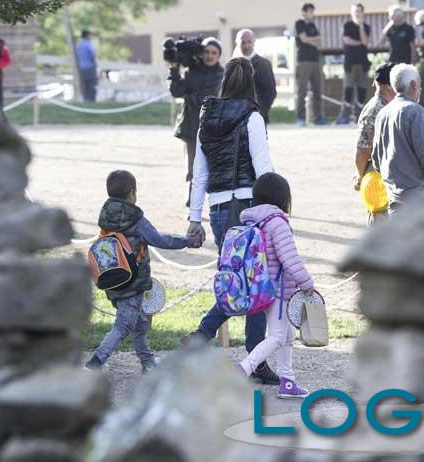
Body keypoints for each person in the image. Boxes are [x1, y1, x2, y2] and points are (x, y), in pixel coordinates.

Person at [181, 57, 279, 385]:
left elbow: (200, 173)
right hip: (250, 203)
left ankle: (202, 337)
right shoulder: (252, 117)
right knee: (255, 280)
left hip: (219, 208)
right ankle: (253, 356)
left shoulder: (207, 117)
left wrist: (195, 217)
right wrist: (273, 208)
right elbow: (262, 165)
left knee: (236, 278)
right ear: (250, 82)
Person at [85, 170, 201, 372]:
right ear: (132, 193)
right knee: (123, 327)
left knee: (139, 325)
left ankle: (147, 363)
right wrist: (188, 242)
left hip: (112, 279)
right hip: (132, 283)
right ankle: (95, 363)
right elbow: (160, 240)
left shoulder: (105, 216)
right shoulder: (136, 219)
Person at [235, 173, 315, 399]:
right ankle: (244, 368)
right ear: (282, 197)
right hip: (278, 289)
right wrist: (306, 282)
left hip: (260, 286)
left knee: (287, 335)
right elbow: (289, 258)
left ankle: (287, 381)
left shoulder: (253, 221)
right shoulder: (277, 223)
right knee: (278, 336)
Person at [372, 63, 424, 214]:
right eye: (420, 85)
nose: (420, 89)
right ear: (414, 85)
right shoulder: (415, 111)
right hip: (420, 198)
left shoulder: (382, 114)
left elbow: (377, 161)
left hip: (394, 198)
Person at [169, 37, 224, 207]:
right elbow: (177, 91)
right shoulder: (192, 70)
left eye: (214, 53)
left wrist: (189, 96)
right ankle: (193, 199)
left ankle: (218, 201)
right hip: (190, 126)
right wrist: (174, 70)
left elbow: (206, 98)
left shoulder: (220, 74)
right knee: (193, 166)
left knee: (213, 166)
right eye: (207, 52)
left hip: (210, 126)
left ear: (219, 55)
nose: (209, 56)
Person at [353, 63, 396, 224]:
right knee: (381, 223)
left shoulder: (386, 106)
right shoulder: (375, 111)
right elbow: (363, 150)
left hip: (389, 175)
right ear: (389, 86)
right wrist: (359, 175)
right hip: (379, 177)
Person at [295, 3, 329, 126]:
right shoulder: (299, 23)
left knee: (317, 90)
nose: (312, 14)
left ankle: (318, 118)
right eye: (310, 11)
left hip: (316, 61)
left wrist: (312, 40)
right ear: (304, 12)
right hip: (304, 61)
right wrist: (314, 40)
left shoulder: (313, 25)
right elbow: (303, 39)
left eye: (312, 11)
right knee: (302, 91)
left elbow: (320, 42)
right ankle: (300, 119)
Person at [337, 3, 371, 125]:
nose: (357, 13)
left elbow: (366, 42)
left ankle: (359, 116)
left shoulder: (366, 26)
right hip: (350, 63)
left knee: (362, 89)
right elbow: (347, 40)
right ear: (351, 13)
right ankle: (344, 116)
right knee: (348, 89)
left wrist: (361, 26)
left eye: (359, 11)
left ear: (363, 13)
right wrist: (360, 42)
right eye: (355, 11)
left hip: (363, 63)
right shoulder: (347, 25)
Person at [234, 29, 277, 124]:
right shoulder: (234, 65)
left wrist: (259, 112)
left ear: (254, 42)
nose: (246, 45)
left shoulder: (263, 64)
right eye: (243, 42)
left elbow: (270, 92)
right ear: (237, 43)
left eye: (249, 42)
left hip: (257, 116)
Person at [76, 30, 98, 102]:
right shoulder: (88, 44)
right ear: (87, 35)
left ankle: (85, 100)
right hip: (89, 67)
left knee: (84, 85)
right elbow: (92, 54)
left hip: (80, 68)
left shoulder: (78, 45)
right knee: (91, 85)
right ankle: (91, 100)